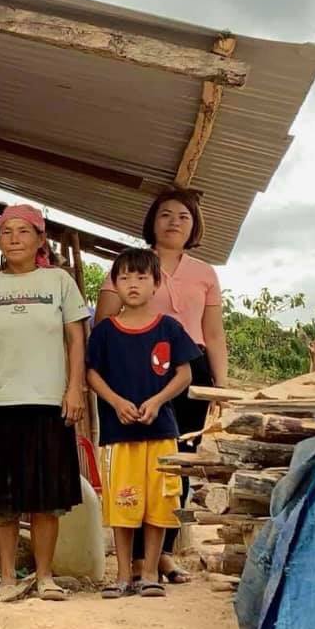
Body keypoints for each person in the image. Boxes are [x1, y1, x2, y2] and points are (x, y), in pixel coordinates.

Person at [95, 189, 228, 585]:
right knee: (131, 461)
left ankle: (163, 554)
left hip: (188, 370)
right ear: (152, 221)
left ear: (194, 226)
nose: (174, 222)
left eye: (184, 216)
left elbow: (213, 334)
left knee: (177, 461)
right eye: (166, 214)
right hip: (131, 372)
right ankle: (135, 561)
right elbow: (103, 324)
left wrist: (220, 385)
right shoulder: (129, 265)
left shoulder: (204, 273)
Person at [0, 204, 90, 603]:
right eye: (6, 232)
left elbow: (76, 338)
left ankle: (45, 577)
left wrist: (74, 388)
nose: (14, 238)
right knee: (2, 498)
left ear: (40, 239)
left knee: (46, 497)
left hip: (48, 402)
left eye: (23, 231)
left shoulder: (59, 282)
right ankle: (7, 580)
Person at [87, 248, 200, 599]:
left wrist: (157, 401)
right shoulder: (104, 332)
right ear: (114, 285)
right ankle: (123, 575)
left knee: (158, 503)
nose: (132, 284)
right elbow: (91, 374)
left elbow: (185, 374)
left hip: (161, 431)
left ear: (156, 284)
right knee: (122, 504)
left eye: (141, 277)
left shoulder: (169, 328)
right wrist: (116, 402)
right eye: (124, 278)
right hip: (118, 433)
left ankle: (150, 573)